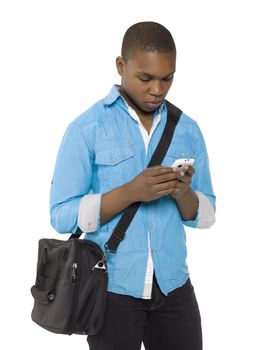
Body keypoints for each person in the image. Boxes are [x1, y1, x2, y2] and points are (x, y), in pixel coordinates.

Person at [50, 21, 216, 350]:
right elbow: (61, 215)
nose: (157, 89)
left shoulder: (187, 129)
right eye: (146, 78)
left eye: (167, 78)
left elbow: (207, 215)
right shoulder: (87, 129)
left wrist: (184, 195)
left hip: (174, 288)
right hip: (112, 290)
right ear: (121, 66)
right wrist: (130, 193)